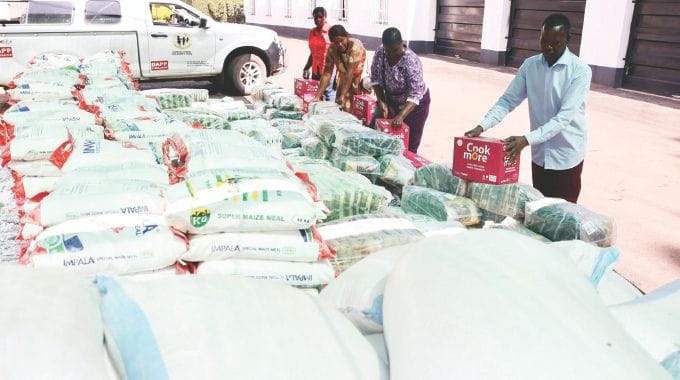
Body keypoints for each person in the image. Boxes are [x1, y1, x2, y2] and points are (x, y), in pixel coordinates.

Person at [465, 13, 591, 203]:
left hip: (566, 155)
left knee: (564, 214)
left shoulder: (580, 71)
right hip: (540, 155)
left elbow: (563, 118)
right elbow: (508, 100)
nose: (548, 47)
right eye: (544, 40)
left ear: (568, 40)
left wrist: (526, 139)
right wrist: (483, 126)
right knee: (539, 208)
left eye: (555, 42)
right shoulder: (530, 66)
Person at [370, 27, 430, 153]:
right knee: (379, 135)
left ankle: (409, 168)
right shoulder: (381, 52)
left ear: (401, 43)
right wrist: (381, 101)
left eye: (395, 50)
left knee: (409, 143)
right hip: (391, 99)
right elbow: (375, 78)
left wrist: (401, 116)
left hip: (414, 105)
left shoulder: (411, 61)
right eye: (388, 51)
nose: (391, 54)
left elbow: (415, 94)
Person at [311, 25, 367, 112]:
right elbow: (327, 73)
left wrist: (343, 95)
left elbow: (350, 72)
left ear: (347, 36)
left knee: (356, 111)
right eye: (336, 43)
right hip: (344, 80)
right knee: (340, 109)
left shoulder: (355, 47)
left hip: (358, 81)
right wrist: (317, 96)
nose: (340, 45)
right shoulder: (332, 49)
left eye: (342, 40)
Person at [303, 7, 335, 101]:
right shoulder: (312, 32)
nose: (318, 19)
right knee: (316, 93)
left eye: (320, 17)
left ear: (325, 17)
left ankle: (331, 113)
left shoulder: (331, 31)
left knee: (328, 92)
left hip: (328, 69)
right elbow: (312, 53)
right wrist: (306, 67)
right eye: (315, 17)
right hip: (315, 69)